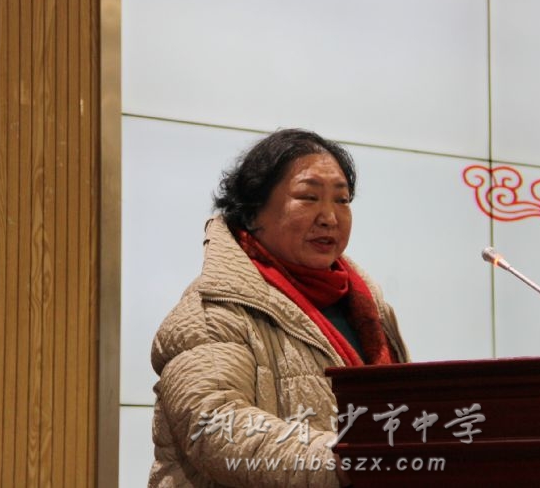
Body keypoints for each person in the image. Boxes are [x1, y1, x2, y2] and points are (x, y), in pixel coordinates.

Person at [148, 128, 410, 487]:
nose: (329, 217)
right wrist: (346, 458)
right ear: (253, 211)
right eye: (308, 197)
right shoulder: (213, 309)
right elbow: (214, 427)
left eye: (342, 200)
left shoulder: (367, 306)